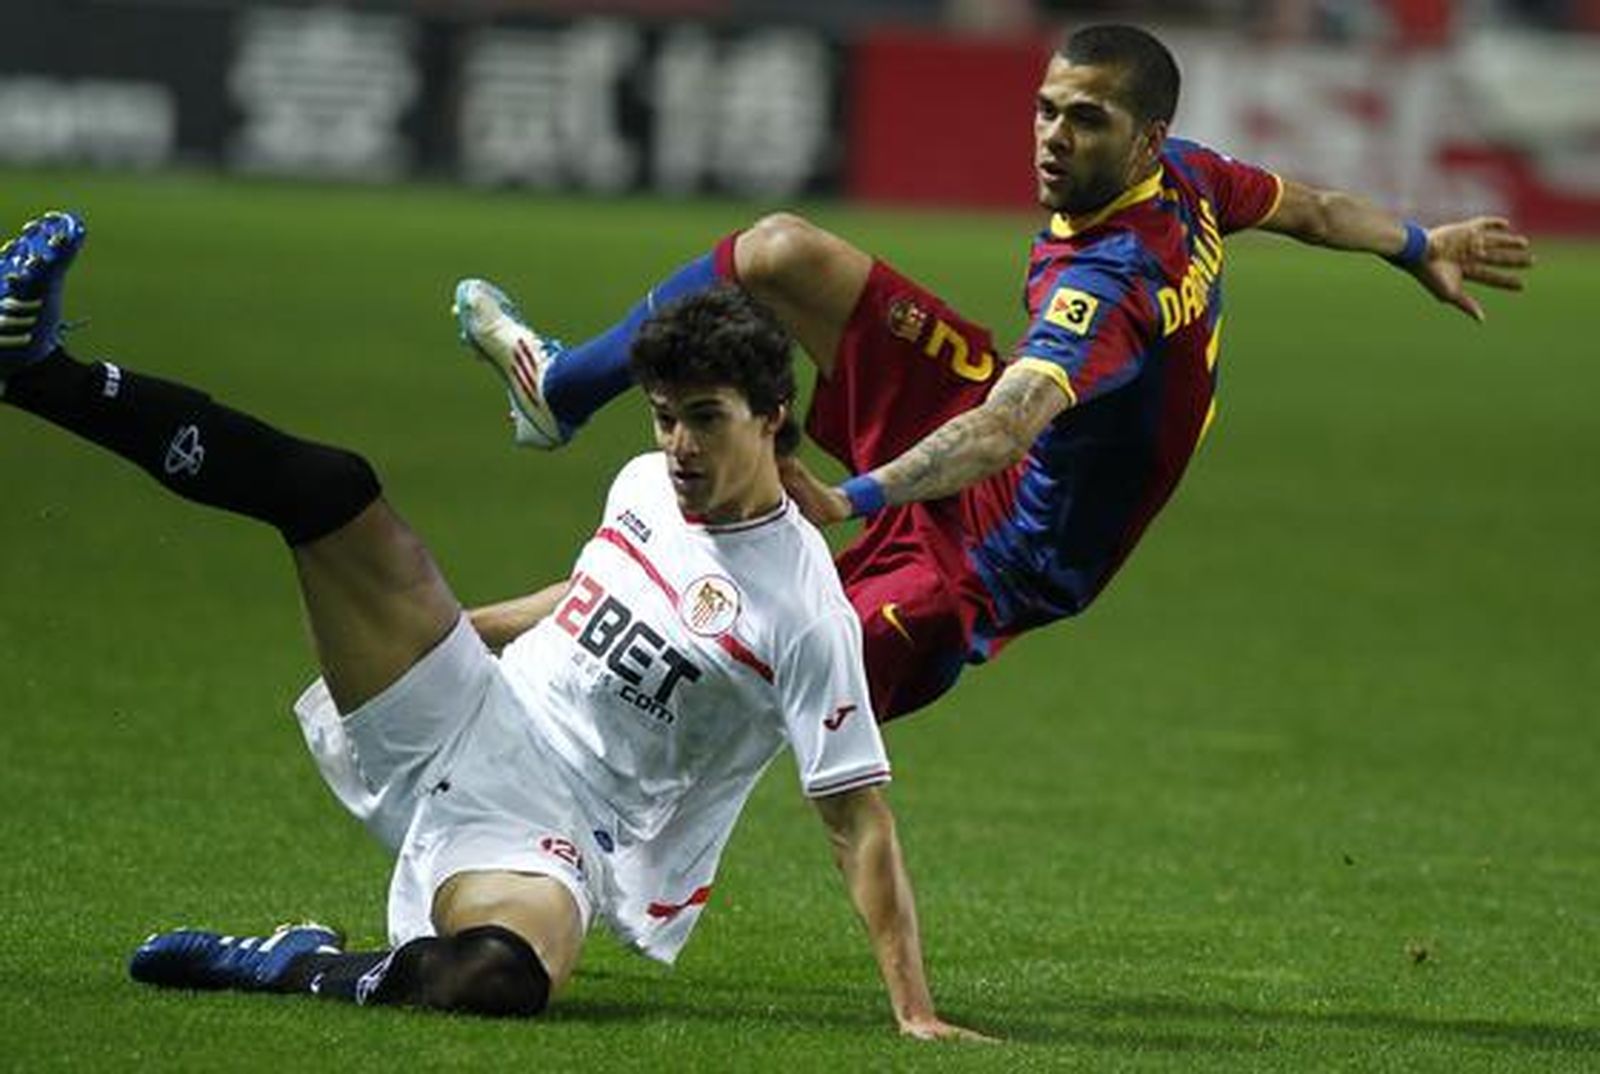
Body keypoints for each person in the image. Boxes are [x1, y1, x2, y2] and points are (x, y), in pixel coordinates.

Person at [0, 212, 985, 1039]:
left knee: (502, 979)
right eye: (660, 417)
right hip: (461, 699)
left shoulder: (805, 609)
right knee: (332, 491)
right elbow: (593, 589)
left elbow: (854, 818)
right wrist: (452, 628)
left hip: (550, 830)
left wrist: (913, 1012)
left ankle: (293, 964)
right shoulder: (643, 481)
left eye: (704, 418)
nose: (677, 446)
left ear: (773, 415)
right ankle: (46, 373)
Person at [451, 23, 1535, 723]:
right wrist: (1412, 243)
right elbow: (1305, 205)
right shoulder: (1193, 176)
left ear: (1145, 136)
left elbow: (1014, 420)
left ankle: (492, 664)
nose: (1053, 137)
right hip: (971, 428)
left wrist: (856, 495)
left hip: (1000, 555)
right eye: (1046, 109)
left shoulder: (1106, 282)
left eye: (1085, 120)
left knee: (723, 651)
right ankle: (564, 388)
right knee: (780, 251)